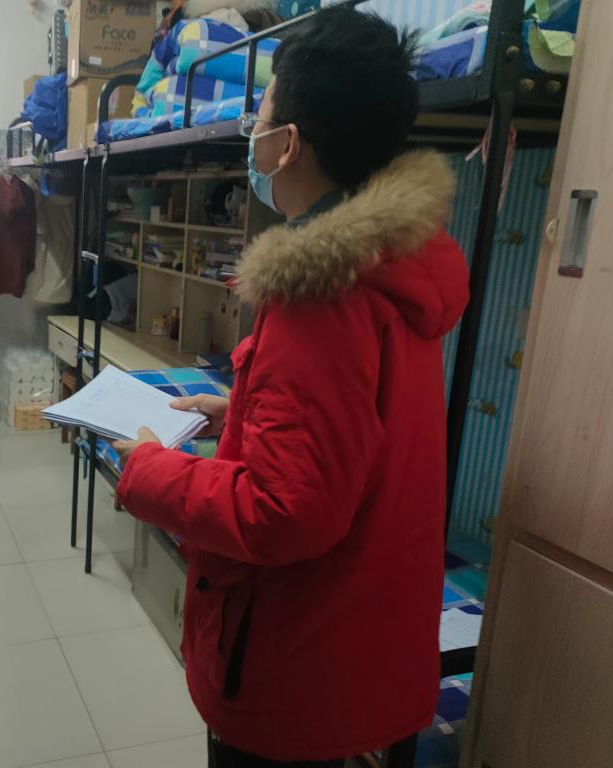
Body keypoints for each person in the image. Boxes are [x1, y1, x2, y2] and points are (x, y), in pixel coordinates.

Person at [113, 7, 470, 767]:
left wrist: (147, 470)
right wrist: (243, 410)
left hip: (292, 662)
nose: (253, 135)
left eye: (261, 118)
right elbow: (354, 432)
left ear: (287, 145)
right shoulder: (395, 264)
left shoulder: (319, 292)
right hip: (356, 637)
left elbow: (284, 513)